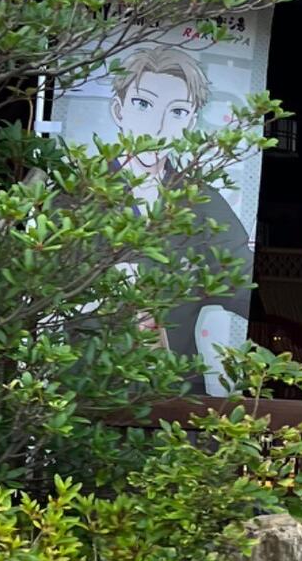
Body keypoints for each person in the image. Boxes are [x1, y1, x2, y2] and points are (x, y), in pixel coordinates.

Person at [104, 40, 256, 395]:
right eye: (143, 104)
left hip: (176, 401)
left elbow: (247, 289)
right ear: (118, 110)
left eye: (176, 112)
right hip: (90, 396)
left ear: (190, 121)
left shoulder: (203, 203)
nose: (157, 127)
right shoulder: (77, 197)